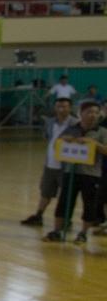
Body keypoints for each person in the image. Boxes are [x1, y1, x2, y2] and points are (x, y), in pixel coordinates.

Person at [44, 99, 107, 243]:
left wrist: (94, 144)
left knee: (89, 204)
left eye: (96, 112)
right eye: (89, 112)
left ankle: (83, 233)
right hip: (70, 171)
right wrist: (65, 140)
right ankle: (57, 231)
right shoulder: (72, 128)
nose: (93, 115)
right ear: (81, 113)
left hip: (91, 174)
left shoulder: (102, 132)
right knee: (64, 202)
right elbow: (56, 146)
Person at [20, 96, 75, 227]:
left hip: (67, 166)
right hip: (50, 164)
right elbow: (48, 138)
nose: (61, 109)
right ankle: (39, 215)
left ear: (70, 108)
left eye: (65, 106)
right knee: (45, 192)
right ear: (55, 108)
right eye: (59, 106)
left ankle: (66, 219)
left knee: (66, 195)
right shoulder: (50, 122)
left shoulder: (75, 123)